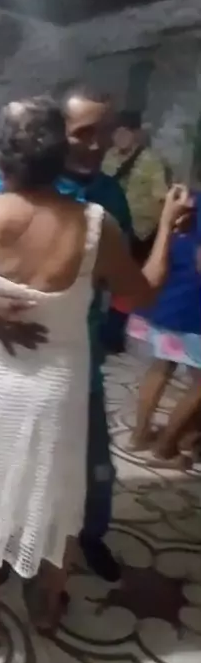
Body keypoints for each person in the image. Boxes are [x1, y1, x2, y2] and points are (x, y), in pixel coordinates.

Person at [0, 95, 189, 647]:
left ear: (6, 155)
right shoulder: (95, 226)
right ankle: (47, 609)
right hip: (57, 381)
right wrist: (167, 226)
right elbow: (142, 292)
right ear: (60, 151)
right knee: (58, 492)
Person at [127, 192, 201, 467]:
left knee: (161, 366)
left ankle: (140, 435)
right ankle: (165, 448)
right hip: (193, 309)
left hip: (166, 299)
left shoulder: (188, 200)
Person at [103, 110, 168, 353]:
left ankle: (114, 334)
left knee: (126, 283)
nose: (120, 138)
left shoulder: (151, 162)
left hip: (139, 231)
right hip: (110, 225)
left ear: (136, 134)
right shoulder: (108, 156)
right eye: (117, 133)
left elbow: (161, 197)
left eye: (126, 133)